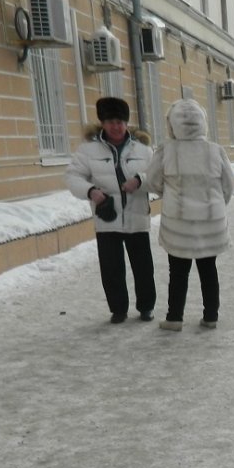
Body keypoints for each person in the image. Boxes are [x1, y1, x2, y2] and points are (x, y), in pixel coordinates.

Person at [143, 99, 234, 331]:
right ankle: (211, 316)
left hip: (178, 224)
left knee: (178, 271)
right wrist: (216, 205)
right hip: (211, 222)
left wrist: (172, 195)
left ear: (173, 125)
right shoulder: (215, 150)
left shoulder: (166, 150)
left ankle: (174, 318)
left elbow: (153, 181)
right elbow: (229, 184)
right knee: (208, 270)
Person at [66, 96, 155, 323]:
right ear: (102, 123)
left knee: (143, 267)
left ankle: (146, 307)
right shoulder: (88, 151)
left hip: (137, 217)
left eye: (120, 121)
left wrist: (139, 180)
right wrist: (91, 191)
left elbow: (157, 177)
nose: (116, 126)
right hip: (107, 217)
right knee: (111, 268)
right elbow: (73, 176)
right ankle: (118, 309)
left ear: (127, 123)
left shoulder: (143, 150)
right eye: (110, 121)